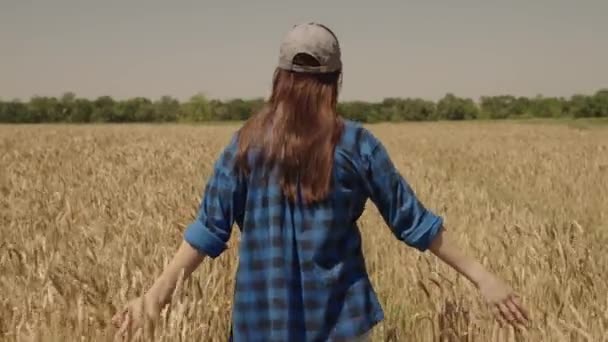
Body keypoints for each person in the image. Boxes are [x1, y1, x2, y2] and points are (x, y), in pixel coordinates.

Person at [111, 22, 529, 341]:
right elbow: (414, 222)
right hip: (339, 325)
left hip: (260, 326)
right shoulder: (357, 145)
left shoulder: (244, 145)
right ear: (335, 80)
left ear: (279, 78)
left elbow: (207, 231)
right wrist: (483, 278)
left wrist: (155, 297)